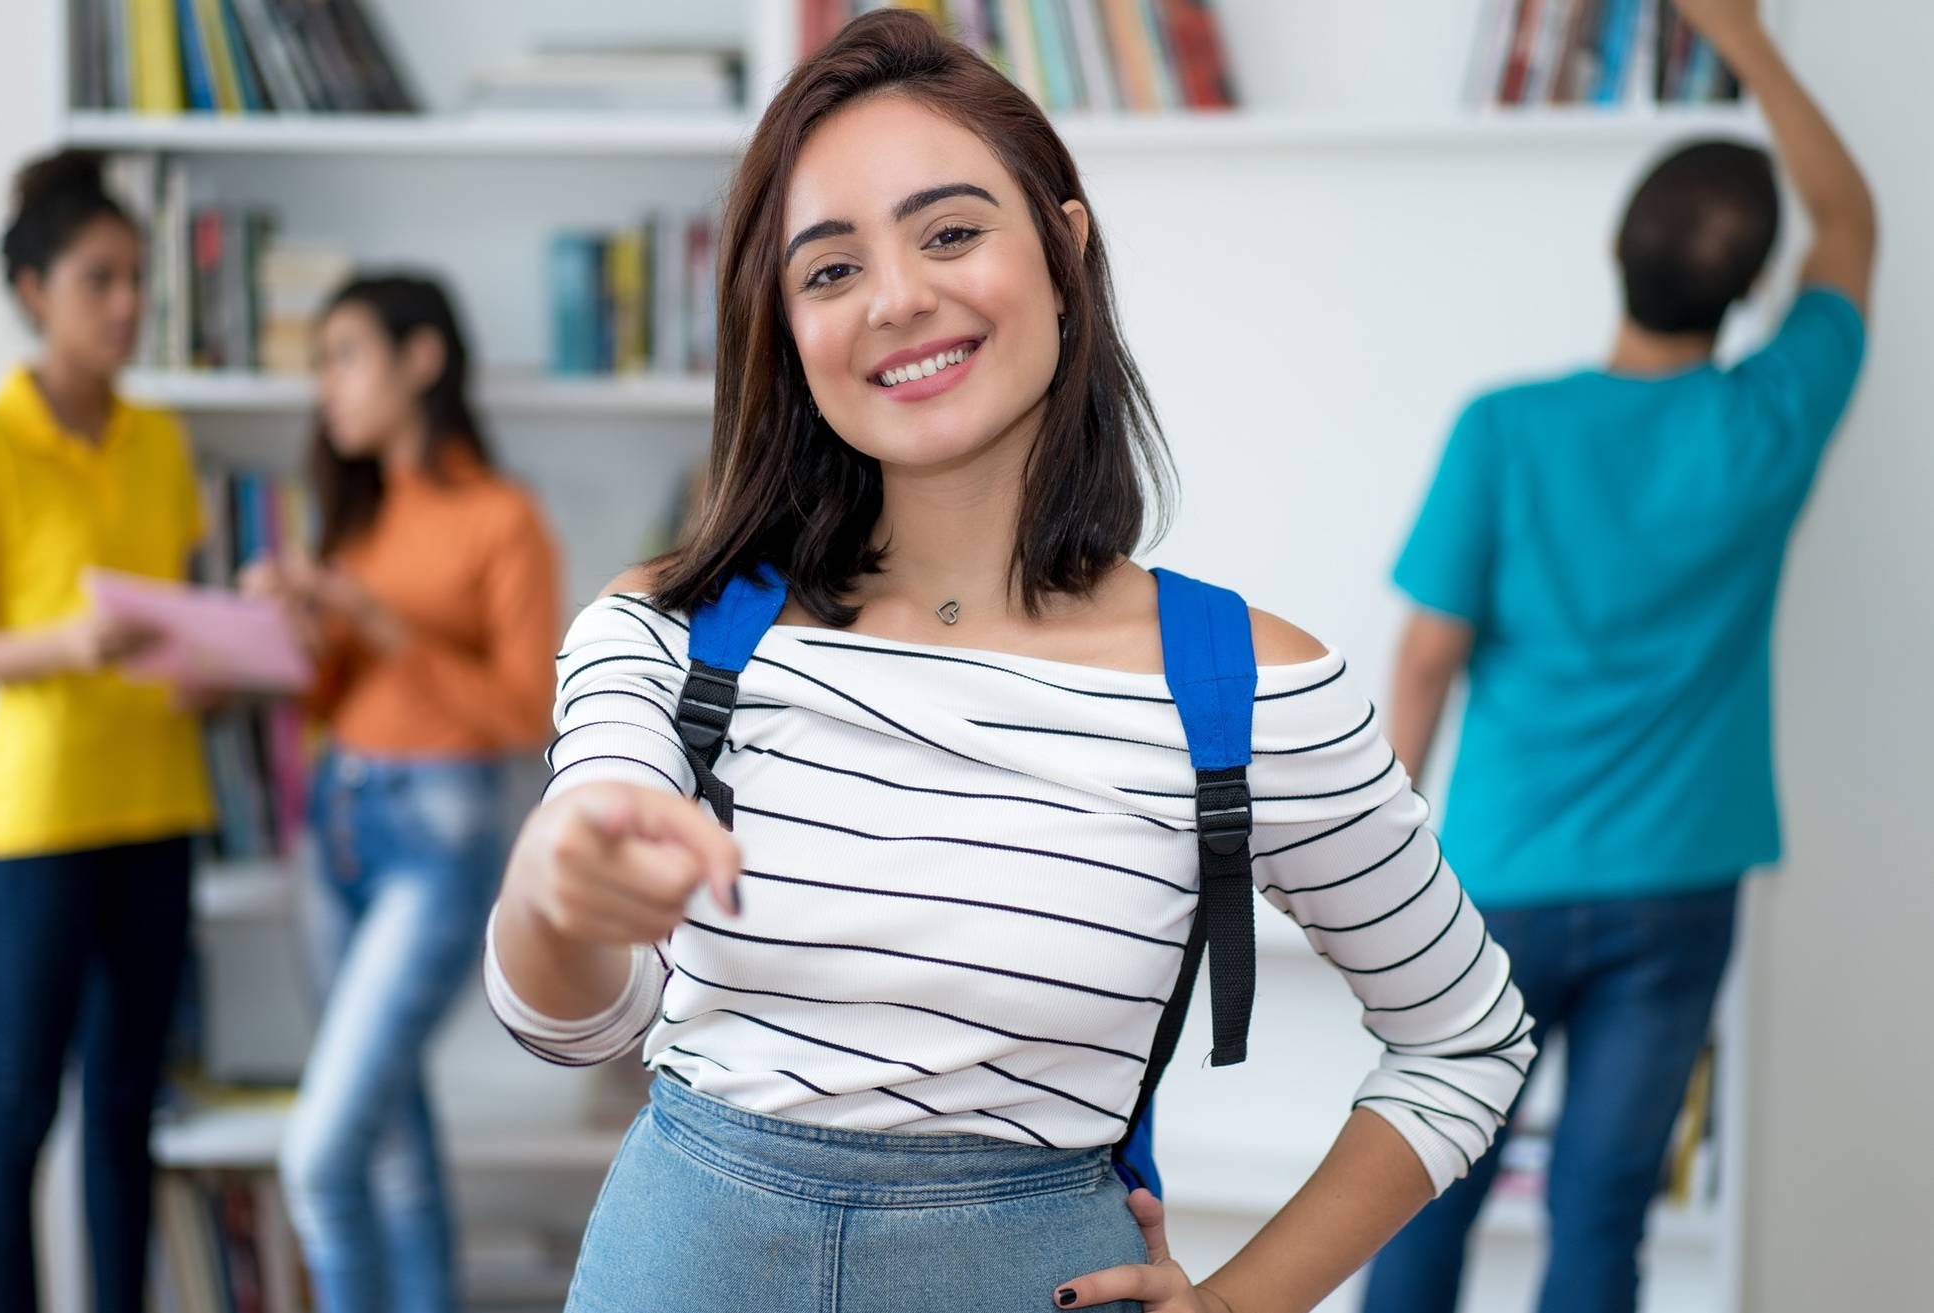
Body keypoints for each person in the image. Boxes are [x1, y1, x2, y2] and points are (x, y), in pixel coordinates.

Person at [482, 14, 1536, 1312]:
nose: (897, 297)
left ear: (1063, 250)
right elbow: (571, 1023)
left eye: (950, 231)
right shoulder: (662, 635)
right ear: (787, 330)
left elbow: (1466, 1040)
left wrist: (1238, 1301)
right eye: (829, 269)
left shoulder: (1247, 688)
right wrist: (549, 893)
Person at [1363, 1, 1876, 1309]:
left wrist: (1377, 857)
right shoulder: (1772, 416)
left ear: (1616, 249)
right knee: (1601, 1214)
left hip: (1499, 883)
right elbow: (1854, 225)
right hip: (1680, 884)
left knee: (1428, 1182)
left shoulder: (1506, 431)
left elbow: (1423, 661)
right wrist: (1750, 46)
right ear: (1751, 290)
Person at [0, 150, 211, 1313]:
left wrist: (230, 654)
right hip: (36, 823)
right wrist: (60, 646)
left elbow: (179, 626)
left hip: (162, 806)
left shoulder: (161, 443)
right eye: (102, 279)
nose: (129, 303)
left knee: (127, 1109)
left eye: (137, 277)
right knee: (21, 1102)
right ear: (37, 289)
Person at [241, 274, 564, 1313]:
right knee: (387, 1139)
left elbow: (524, 709)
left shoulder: (503, 518)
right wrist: (296, 629)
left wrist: (377, 622)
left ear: (421, 358)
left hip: (438, 835)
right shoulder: (358, 524)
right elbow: (332, 697)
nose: (325, 385)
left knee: (321, 1155)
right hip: (333, 825)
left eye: (344, 354)